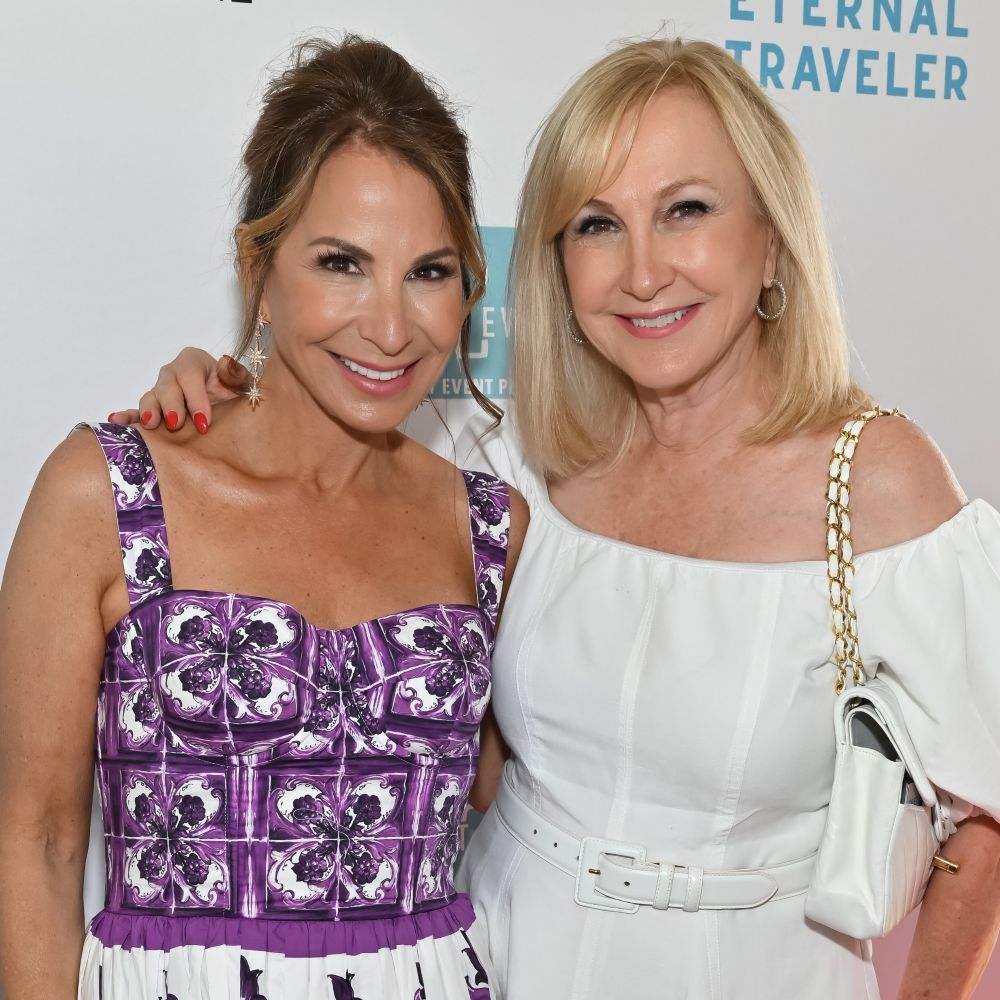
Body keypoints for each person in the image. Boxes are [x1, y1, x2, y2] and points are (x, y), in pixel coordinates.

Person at [104, 37, 1000, 1000]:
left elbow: (983, 821)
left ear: (772, 238)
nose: (643, 272)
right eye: (597, 225)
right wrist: (222, 395)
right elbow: (315, 468)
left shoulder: (880, 485)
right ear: (558, 265)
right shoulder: (501, 461)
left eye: (686, 210)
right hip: (498, 960)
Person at [0, 36, 527, 1000]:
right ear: (260, 266)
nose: (390, 325)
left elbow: (509, 805)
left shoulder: (492, 528)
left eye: (430, 271)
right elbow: (34, 844)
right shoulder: (107, 495)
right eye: (341, 262)